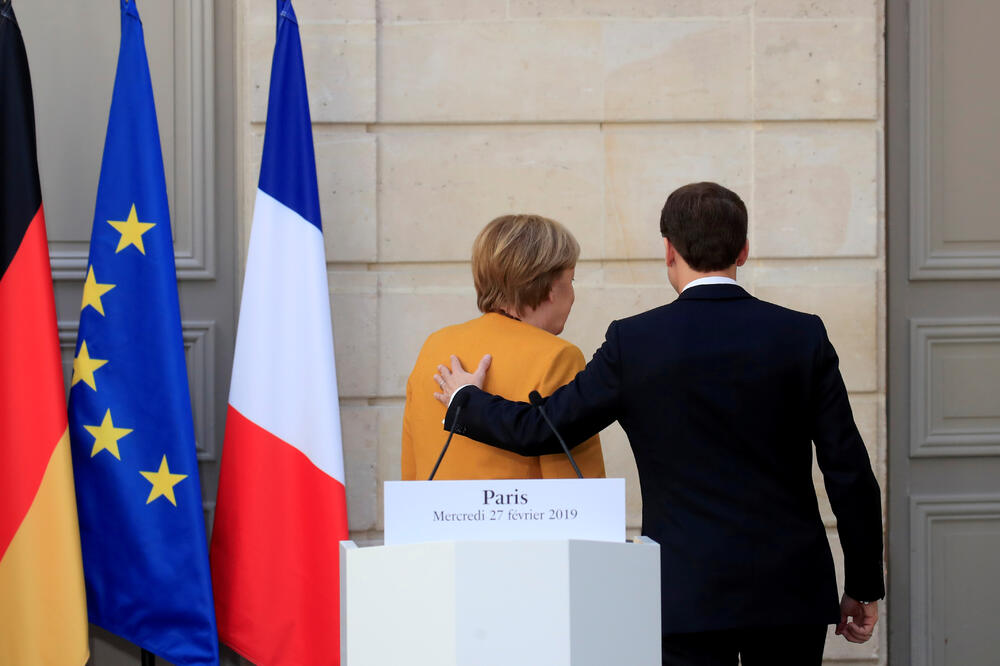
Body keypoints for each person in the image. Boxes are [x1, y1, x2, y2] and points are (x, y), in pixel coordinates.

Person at [432, 183, 884, 665]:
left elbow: (543, 429)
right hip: (789, 591)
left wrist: (467, 400)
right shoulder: (802, 335)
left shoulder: (635, 342)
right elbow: (849, 471)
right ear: (744, 250)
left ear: (668, 251)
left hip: (683, 593)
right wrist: (863, 584)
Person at [401, 214, 604, 480]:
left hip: (438, 521)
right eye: (571, 280)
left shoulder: (435, 345)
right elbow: (575, 487)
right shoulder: (558, 357)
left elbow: (412, 471)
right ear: (552, 287)